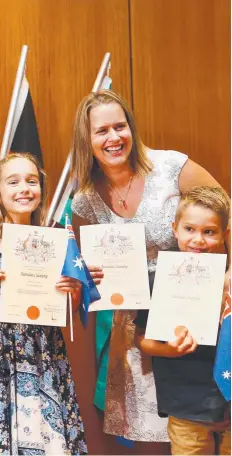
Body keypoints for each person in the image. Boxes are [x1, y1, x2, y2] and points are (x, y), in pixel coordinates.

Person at [69, 90, 225, 443]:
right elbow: (84, 265)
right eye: (101, 131)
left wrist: (229, 276)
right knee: (150, 437)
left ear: (131, 128)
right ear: (87, 140)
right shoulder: (85, 199)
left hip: (193, 318)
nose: (113, 138)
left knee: (200, 430)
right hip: (136, 334)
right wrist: (89, 275)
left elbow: (225, 215)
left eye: (119, 126)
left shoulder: (172, 168)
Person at [0, 153, 87, 455]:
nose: (24, 189)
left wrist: (74, 291)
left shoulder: (59, 244)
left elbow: (69, 315)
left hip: (47, 359)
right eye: (13, 181)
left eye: (32, 181)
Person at [135, 186, 231, 455]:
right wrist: (168, 349)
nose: (198, 240)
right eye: (190, 229)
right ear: (174, 228)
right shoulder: (158, 281)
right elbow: (142, 340)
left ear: (224, 234)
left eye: (209, 231)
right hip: (186, 407)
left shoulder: (229, 283)